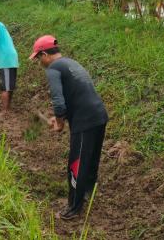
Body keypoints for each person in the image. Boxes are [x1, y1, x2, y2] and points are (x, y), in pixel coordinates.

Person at [29, 35, 109, 220]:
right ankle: (88, 192)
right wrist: (60, 117)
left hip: (85, 120)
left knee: (77, 163)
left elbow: (58, 101)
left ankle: (73, 208)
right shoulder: (71, 63)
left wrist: (59, 122)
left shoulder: (53, 68)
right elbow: (76, 94)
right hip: (99, 115)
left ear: (44, 54)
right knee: (91, 159)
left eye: (38, 57)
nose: (39, 62)